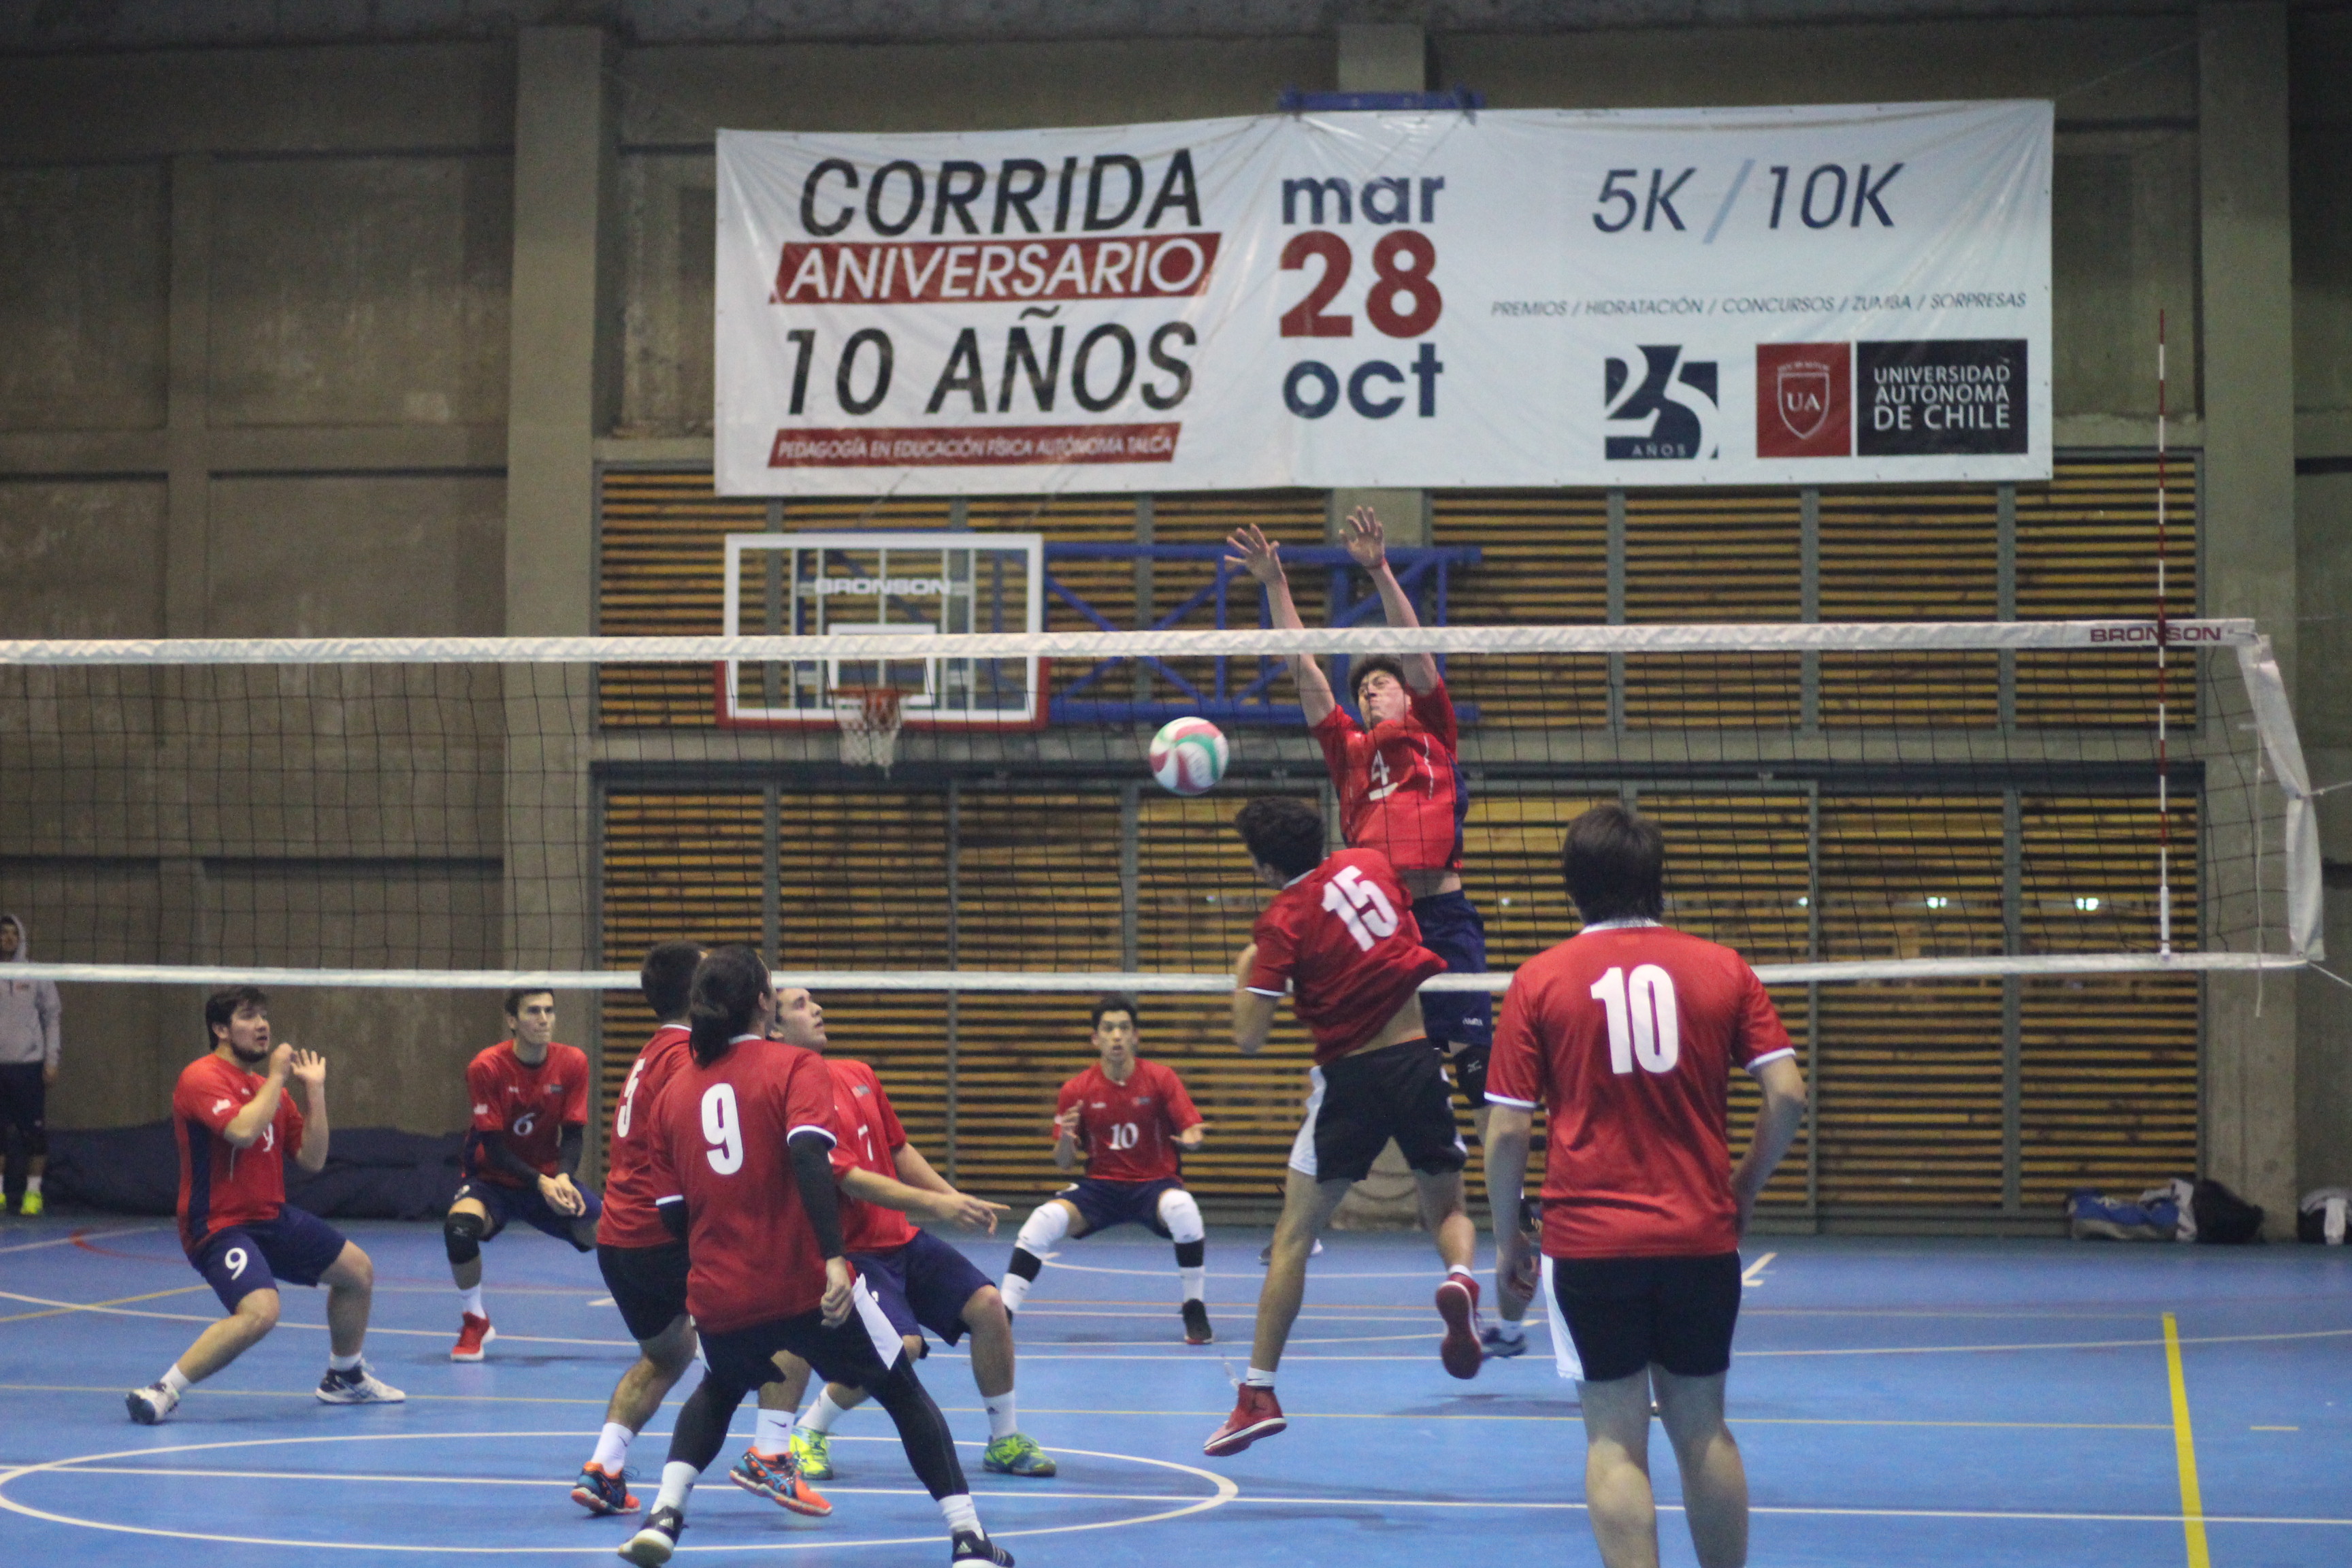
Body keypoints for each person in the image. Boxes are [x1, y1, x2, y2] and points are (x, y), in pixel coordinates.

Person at [1227, 508, 1529, 1355]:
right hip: (1375, 926)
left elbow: (1419, 650)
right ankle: (1325, 1213)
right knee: (1369, 1063)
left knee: (1482, 1079)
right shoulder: (1351, 754)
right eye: (1365, 687)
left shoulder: (1433, 733)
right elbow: (1305, 669)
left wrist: (1380, 571)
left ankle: (1513, 1238)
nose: (1372, 690)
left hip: (1446, 920)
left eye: (1383, 682)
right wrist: (1277, 586)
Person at [1482, 804, 1808, 1568]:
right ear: (1658, 883)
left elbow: (1506, 1132)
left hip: (1590, 1245)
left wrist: (1508, 1240)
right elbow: (1789, 1095)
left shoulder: (1539, 979)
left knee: (1614, 1442)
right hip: (1700, 1236)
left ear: (1572, 888)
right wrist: (1744, 1188)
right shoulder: (1723, 967)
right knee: (1704, 1429)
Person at [617, 947, 1010, 1568]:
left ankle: (664, 1516)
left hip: (721, 1290)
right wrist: (832, 1258)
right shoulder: (794, 1066)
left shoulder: (673, 1093)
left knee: (718, 1389)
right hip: (803, 1282)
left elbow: (671, 1216)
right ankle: (968, 1540)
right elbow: (810, 1159)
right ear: (762, 1003)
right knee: (903, 1391)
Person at [1203, 796, 1484, 1460]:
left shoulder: (1281, 921)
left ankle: (1258, 1394)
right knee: (1448, 1209)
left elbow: (1249, 1038)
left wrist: (1245, 974)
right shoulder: (1372, 864)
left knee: (1294, 1237)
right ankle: (1461, 1275)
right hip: (1416, 1060)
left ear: (1265, 867)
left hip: (1351, 1080)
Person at [744, 983, 1041, 1499]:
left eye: (815, 1000)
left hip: (901, 1239)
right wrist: (938, 1207)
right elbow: (849, 1179)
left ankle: (1004, 1440)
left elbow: (898, 1149)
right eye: (800, 1005)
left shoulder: (858, 1073)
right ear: (774, 1030)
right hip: (855, 1251)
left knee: (989, 1306)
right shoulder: (791, 1099)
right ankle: (810, 1430)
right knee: (901, 1347)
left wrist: (953, 1197)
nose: (817, 1008)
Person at [125, 986, 403, 1422]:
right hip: (217, 1225)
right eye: (248, 1016)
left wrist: (315, 1092)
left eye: (264, 1016)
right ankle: (162, 1390)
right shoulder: (202, 1077)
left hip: (271, 1217)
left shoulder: (268, 1090)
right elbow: (241, 1132)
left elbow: (312, 1159)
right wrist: (276, 1077)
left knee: (357, 1272)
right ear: (221, 1029)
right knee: (261, 1311)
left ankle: (345, 1376)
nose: (262, 1025)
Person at [571, 941, 708, 1517]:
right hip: (660, 1234)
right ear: (699, 994)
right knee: (779, 1327)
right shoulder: (687, 1057)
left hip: (618, 1239)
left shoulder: (653, 1052)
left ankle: (603, 1467)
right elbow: (691, 1149)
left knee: (670, 1355)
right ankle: (773, 1452)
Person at [998, 994, 1211, 1345]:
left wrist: (1192, 1140)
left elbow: (1192, 1130)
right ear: (1095, 1038)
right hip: (1100, 1189)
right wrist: (1066, 1139)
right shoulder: (1076, 1090)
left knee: (1184, 1209)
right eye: (1109, 1029)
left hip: (1154, 1186)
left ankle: (1194, 1306)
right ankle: (1002, 1314)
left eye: (1124, 1029)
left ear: (1135, 1036)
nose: (1117, 1036)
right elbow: (1063, 1162)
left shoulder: (1161, 1078)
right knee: (1042, 1221)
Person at [445, 987, 599, 1361]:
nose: (544, 1019)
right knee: (459, 1229)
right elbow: (494, 1147)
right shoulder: (486, 1067)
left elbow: (573, 1135)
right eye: (533, 1011)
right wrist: (542, 1182)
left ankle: (666, 1319)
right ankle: (475, 1320)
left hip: (548, 1179)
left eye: (549, 1010)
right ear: (512, 1021)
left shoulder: (573, 1062)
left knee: (620, 1238)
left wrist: (563, 1178)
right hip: (491, 1181)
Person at [0, 913, 61, 1215]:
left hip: (29, 1067)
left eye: (14, 933)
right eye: (3, 933)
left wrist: (51, 1060)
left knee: (34, 1135)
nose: (9, 938)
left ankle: (33, 1194)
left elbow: (52, 1018)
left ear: (21, 938)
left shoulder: (36, 973)